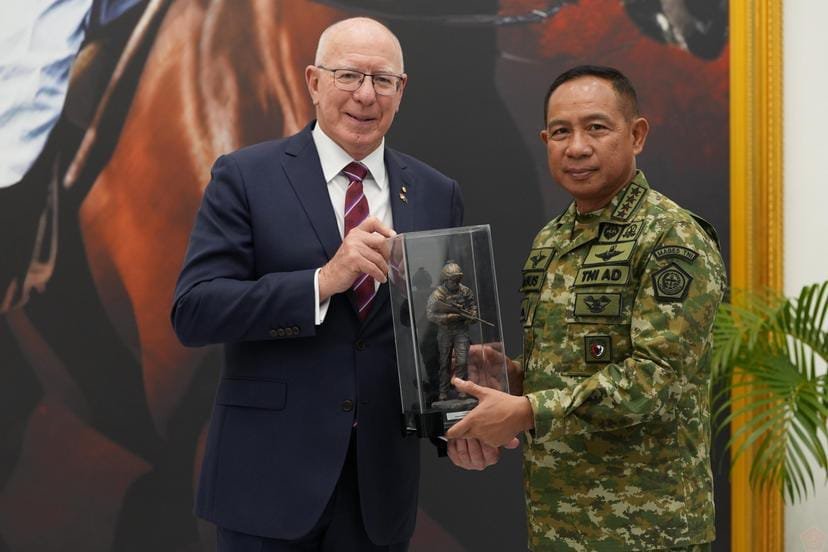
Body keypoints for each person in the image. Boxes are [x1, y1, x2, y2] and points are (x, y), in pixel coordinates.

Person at [171, 17, 465, 552]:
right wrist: (323, 282)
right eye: (348, 75)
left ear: (401, 90)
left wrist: (461, 423)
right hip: (266, 483)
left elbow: (440, 336)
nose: (365, 95)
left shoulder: (435, 192)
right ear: (313, 81)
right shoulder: (245, 176)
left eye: (382, 80)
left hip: (378, 495)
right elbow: (195, 311)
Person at [445, 65, 726, 551]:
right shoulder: (550, 240)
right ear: (545, 141)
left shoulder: (671, 237)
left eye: (596, 127)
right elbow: (569, 367)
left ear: (636, 135)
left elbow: (657, 378)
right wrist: (510, 376)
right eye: (560, 132)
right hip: (557, 524)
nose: (576, 147)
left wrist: (528, 409)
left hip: (649, 531)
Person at [425, 261, 479, 402]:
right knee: (444, 363)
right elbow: (430, 314)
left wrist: (472, 316)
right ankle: (443, 391)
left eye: (458, 280)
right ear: (446, 279)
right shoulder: (438, 294)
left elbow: (472, 307)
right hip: (445, 332)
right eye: (453, 280)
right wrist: (447, 317)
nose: (456, 283)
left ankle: (461, 390)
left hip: (461, 331)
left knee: (462, 361)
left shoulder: (466, 291)